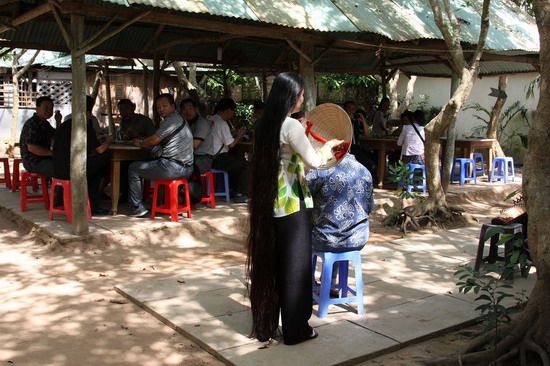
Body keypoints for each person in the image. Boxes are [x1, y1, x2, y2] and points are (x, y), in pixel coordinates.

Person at [246, 72, 342, 345]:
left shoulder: (264, 124)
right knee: (295, 268)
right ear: (291, 96)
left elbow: (287, 157)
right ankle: (296, 329)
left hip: (269, 203)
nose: (303, 97)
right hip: (293, 204)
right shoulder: (291, 126)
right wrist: (331, 147)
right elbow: (312, 162)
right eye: (300, 93)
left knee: (272, 265)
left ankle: (266, 324)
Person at [127, 93, 193, 217]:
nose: (161, 109)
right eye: (158, 107)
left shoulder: (170, 121)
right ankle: (158, 202)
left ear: (172, 106)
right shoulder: (180, 119)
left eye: (164, 106)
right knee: (148, 161)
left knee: (133, 168)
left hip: (173, 168)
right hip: (187, 169)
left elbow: (153, 141)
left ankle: (138, 208)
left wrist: (140, 143)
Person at [53, 96, 111, 215]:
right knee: (103, 161)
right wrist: (109, 140)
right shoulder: (84, 125)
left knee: (93, 165)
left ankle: (60, 200)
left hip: (57, 169)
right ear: (88, 113)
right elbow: (100, 150)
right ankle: (93, 205)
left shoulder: (64, 124)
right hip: (73, 169)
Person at [306, 153, 373, 253]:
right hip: (359, 238)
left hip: (326, 239)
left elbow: (303, 194)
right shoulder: (365, 171)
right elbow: (369, 207)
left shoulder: (321, 169)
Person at [205, 97, 248, 203]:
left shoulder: (211, 119)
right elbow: (231, 144)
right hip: (218, 158)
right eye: (233, 111)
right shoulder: (222, 123)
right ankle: (239, 193)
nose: (233, 114)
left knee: (236, 162)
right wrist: (239, 135)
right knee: (244, 165)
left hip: (207, 157)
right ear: (228, 110)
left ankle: (230, 189)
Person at [19, 96, 56, 177]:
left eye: (51, 108)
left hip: (44, 158)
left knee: (65, 164)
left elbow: (57, 137)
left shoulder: (45, 124)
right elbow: (32, 148)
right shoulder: (33, 124)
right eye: (46, 108)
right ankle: (60, 189)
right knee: (58, 169)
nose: (49, 111)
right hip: (33, 161)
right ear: (37, 109)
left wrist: (58, 121)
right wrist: (51, 153)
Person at [180, 98, 212, 173]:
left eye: (190, 108)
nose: (187, 112)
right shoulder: (186, 123)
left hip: (203, 159)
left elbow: (194, 145)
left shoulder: (201, 123)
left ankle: (192, 185)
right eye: (184, 109)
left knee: (183, 171)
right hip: (191, 157)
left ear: (196, 109)